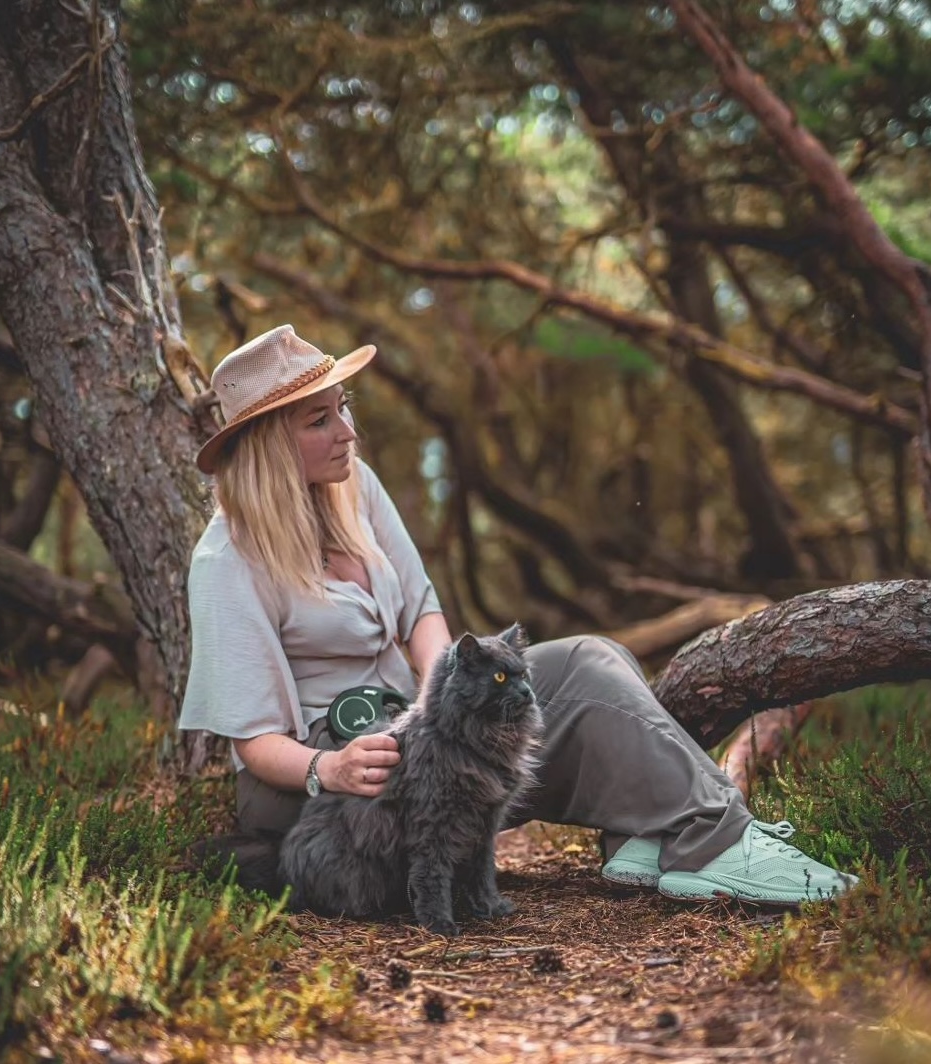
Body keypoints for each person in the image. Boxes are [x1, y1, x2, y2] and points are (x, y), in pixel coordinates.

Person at [179, 324, 859, 906]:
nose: (348, 431)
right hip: (335, 787)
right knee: (589, 675)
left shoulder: (350, 481)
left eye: (343, 406)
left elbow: (421, 609)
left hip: (421, 740)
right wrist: (332, 770)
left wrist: (432, 703)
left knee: (597, 657)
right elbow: (254, 744)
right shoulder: (226, 564)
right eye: (320, 419)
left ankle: (657, 838)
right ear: (269, 440)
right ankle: (713, 843)